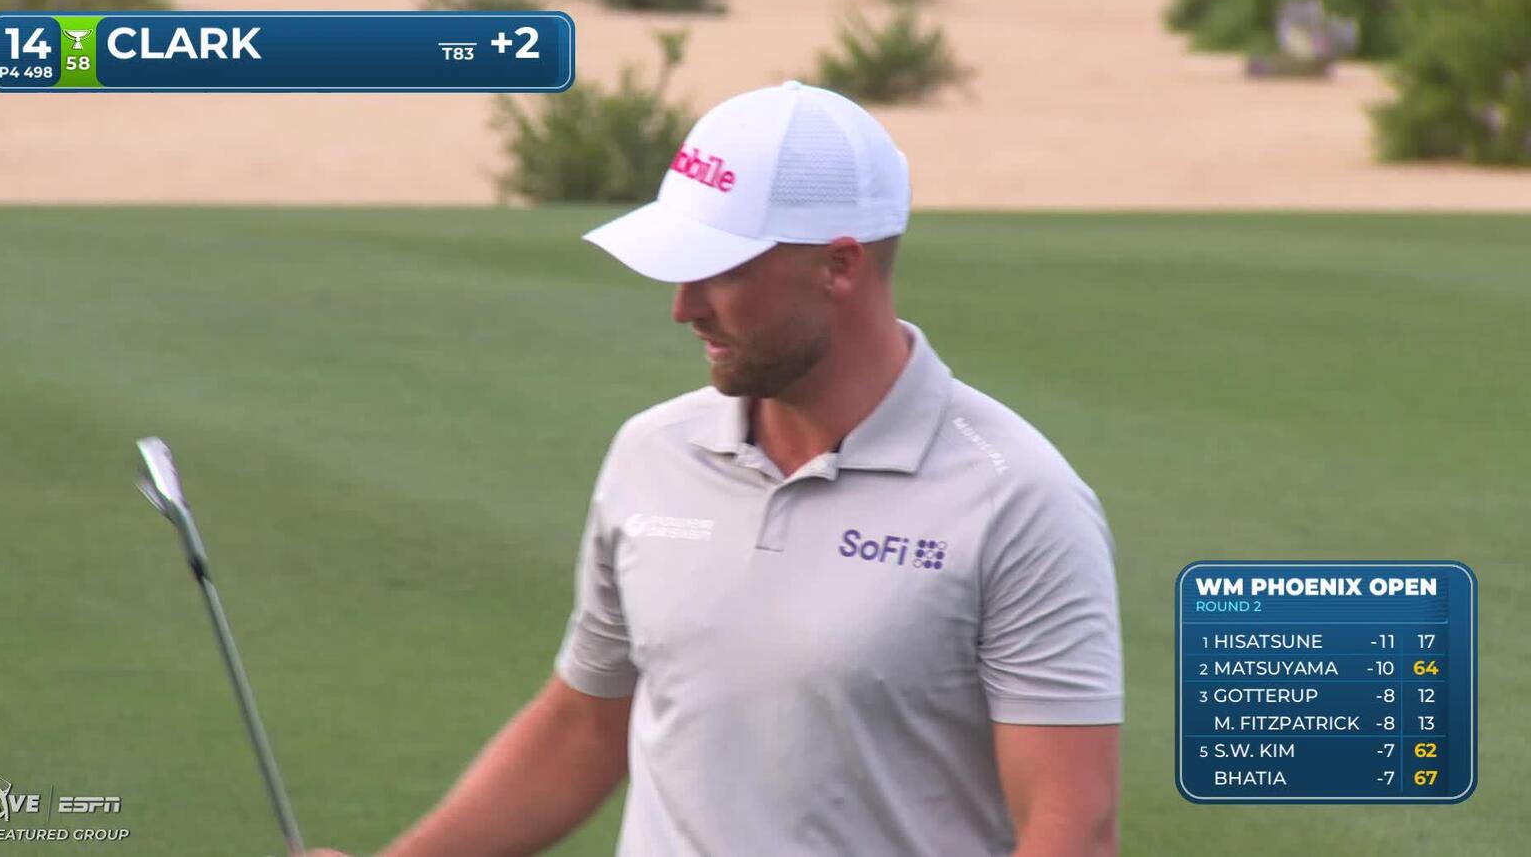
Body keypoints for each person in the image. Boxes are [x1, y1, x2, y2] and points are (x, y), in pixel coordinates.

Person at [311, 81, 1122, 857]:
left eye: (722, 271)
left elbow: (1071, 830)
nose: (684, 306)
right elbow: (585, 726)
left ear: (839, 266)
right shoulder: (652, 453)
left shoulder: (1016, 499)